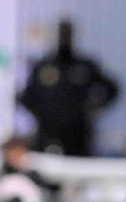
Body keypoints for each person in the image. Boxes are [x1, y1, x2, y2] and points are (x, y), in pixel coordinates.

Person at [19, 18, 119, 156]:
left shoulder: (85, 66)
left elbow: (112, 88)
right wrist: (43, 114)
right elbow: (26, 97)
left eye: (67, 34)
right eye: (61, 33)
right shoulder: (44, 66)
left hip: (78, 134)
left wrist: (95, 107)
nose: (63, 38)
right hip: (48, 133)